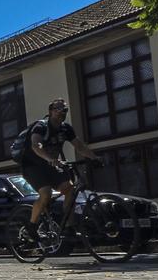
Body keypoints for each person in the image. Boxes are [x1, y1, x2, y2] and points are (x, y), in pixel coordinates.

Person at [20, 98, 99, 240]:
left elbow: (79, 147)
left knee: (70, 189)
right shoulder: (41, 126)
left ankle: (69, 227)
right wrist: (50, 159)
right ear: (50, 112)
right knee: (46, 193)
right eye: (58, 109)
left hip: (52, 164)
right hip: (32, 165)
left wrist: (95, 158)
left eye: (65, 110)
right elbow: (36, 145)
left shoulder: (66, 128)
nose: (62, 112)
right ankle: (31, 227)